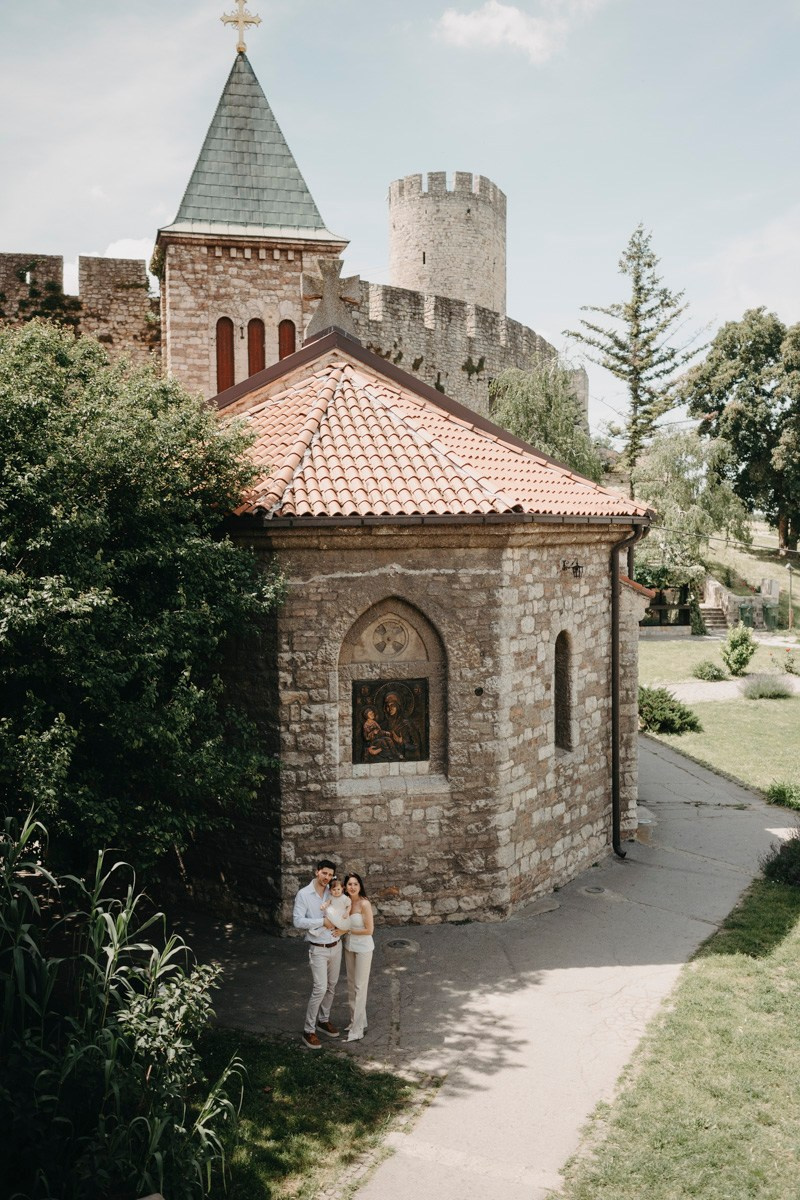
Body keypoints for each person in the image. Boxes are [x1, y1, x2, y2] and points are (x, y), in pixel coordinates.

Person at [292, 859, 344, 1050]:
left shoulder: (333, 891)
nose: (327, 878)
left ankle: (324, 1020)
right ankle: (308, 1030)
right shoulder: (304, 894)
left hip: (336, 945)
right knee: (320, 988)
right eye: (324, 874)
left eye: (330, 875)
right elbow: (297, 921)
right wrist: (321, 922)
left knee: (332, 986)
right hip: (318, 948)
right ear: (317, 872)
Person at [341, 872, 375, 1042]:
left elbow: (369, 930)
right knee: (351, 984)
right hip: (348, 947)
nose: (352, 887)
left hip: (363, 948)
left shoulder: (364, 904)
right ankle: (355, 1019)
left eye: (355, 884)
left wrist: (348, 930)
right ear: (345, 887)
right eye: (349, 884)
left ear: (360, 886)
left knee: (360, 987)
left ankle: (358, 1029)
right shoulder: (345, 902)